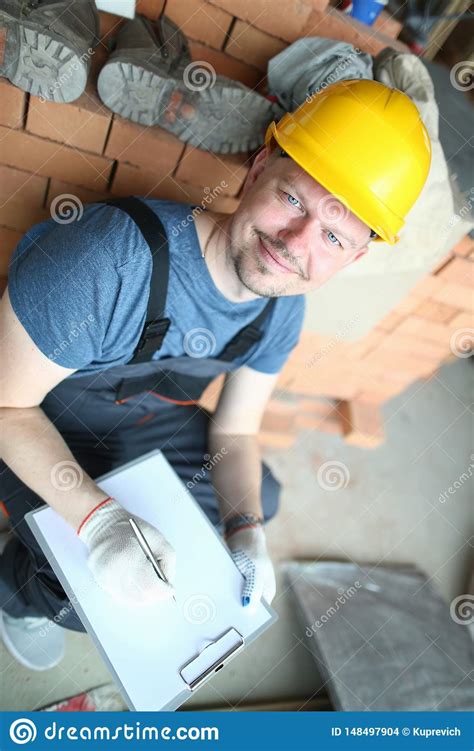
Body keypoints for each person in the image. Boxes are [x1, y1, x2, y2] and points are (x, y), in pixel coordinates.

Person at [0, 78, 431, 671]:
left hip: (146, 421)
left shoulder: (284, 304)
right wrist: (97, 520)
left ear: (354, 259)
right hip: (35, 419)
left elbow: (235, 431)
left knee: (259, 499)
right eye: (294, 200)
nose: (296, 243)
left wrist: (246, 525)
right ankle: (20, 593)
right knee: (83, 597)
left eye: (333, 236)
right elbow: (6, 406)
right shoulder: (105, 262)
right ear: (257, 170)